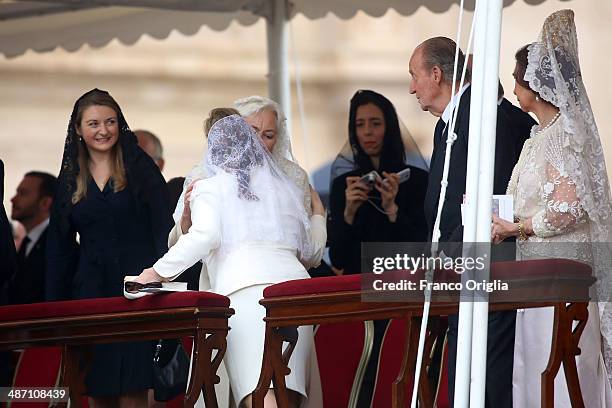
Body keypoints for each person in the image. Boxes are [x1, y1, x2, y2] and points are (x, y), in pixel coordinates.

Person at [132, 115, 325, 408]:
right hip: (296, 293)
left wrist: (155, 273)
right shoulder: (284, 191)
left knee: (256, 393)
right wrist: (319, 217)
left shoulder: (208, 186)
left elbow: (203, 237)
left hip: (246, 295)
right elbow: (310, 252)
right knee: (287, 395)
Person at [491, 10, 612, 407]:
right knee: (533, 365)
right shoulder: (535, 137)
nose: (512, 86)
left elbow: (570, 206)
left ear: (534, 83)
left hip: (563, 271)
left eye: (516, 78)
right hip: (535, 272)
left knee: (558, 370)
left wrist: (517, 228)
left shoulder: (564, 135)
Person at [408, 37, 519, 407]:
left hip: (481, 266)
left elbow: (490, 192)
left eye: (414, 75)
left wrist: (449, 253)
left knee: (484, 376)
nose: (412, 87)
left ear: (436, 74)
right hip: (456, 268)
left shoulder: (482, 112)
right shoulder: (448, 121)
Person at [46, 88, 174, 407]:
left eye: (110, 122)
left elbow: (164, 231)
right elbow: (59, 248)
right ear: (77, 129)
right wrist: (53, 306)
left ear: (120, 124)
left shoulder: (140, 168)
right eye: (93, 124)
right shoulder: (69, 178)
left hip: (139, 292)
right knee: (98, 390)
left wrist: (164, 284)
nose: (103, 130)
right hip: (91, 296)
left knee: (133, 388)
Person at [327, 89, 428, 405]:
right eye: (360, 125)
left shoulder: (416, 181)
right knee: (358, 369)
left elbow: (419, 245)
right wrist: (348, 211)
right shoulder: (345, 184)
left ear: (390, 127)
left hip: (399, 291)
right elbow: (340, 256)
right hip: (357, 293)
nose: (368, 133)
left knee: (396, 368)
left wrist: (392, 207)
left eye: (375, 123)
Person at [7, 171, 57, 304]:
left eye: (23, 193)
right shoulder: (29, 243)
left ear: (45, 203)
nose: (13, 199)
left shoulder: (55, 247)